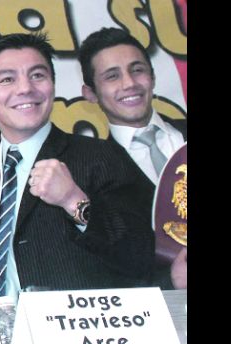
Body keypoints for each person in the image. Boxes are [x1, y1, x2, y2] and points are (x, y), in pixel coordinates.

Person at [0, 33, 153, 307]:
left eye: (37, 75)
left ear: (53, 85)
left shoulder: (101, 155)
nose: (25, 88)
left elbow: (139, 254)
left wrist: (73, 200)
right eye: (7, 79)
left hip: (77, 333)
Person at [79, 27, 187, 289]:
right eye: (112, 76)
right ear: (90, 94)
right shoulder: (93, 174)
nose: (129, 83)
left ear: (152, 76)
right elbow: (114, 266)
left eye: (137, 69)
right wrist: (171, 281)